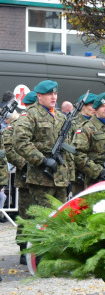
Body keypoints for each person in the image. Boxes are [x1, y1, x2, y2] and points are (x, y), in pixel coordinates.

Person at [12, 80, 74, 230]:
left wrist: (70, 176)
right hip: (41, 179)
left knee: (60, 221)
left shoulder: (60, 117)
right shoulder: (30, 115)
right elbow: (20, 141)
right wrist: (43, 160)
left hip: (60, 179)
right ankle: (37, 254)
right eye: (49, 94)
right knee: (44, 222)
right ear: (39, 96)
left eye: (55, 93)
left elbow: (68, 149)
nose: (53, 97)